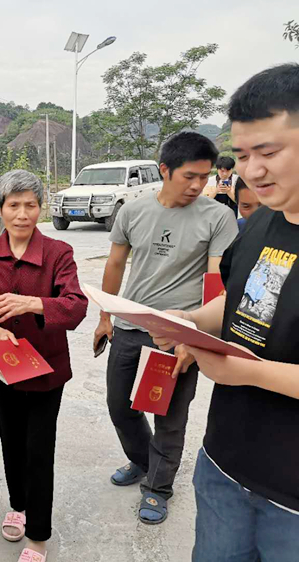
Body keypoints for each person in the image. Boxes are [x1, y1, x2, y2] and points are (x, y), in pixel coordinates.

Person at [150, 63, 299, 562]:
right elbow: (237, 301)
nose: (252, 171)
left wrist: (241, 372)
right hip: (224, 463)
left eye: (269, 152)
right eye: (242, 155)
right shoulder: (258, 225)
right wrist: (191, 320)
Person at [93, 131, 238, 525]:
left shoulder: (218, 216)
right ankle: (143, 461)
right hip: (129, 324)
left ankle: (158, 488)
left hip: (177, 334)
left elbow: (215, 282)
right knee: (120, 407)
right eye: (189, 176)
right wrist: (105, 317)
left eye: (204, 177)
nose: (197, 185)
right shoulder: (133, 210)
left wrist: (196, 338)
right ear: (164, 170)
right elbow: (115, 265)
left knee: (170, 417)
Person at [0, 170, 87, 562]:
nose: (22, 214)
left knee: (39, 448)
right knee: (10, 439)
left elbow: (76, 306)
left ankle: (38, 536)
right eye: (13, 205)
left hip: (47, 370)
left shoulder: (57, 252)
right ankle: (17, 504)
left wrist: (32, 304)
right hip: (5, 367)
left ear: (40, 208)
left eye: (30, 205)